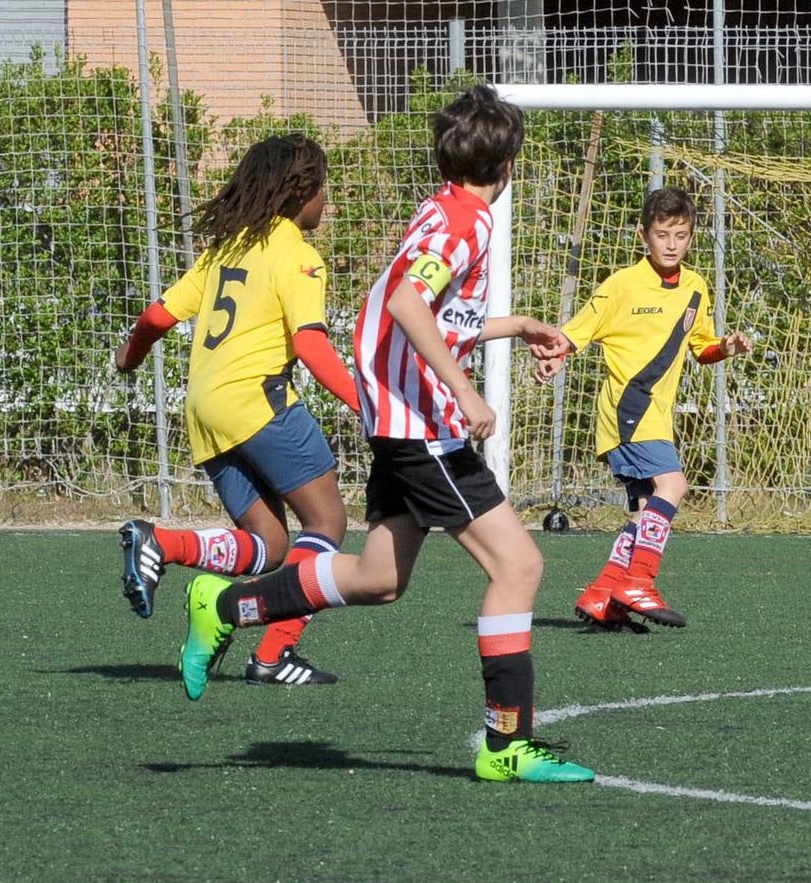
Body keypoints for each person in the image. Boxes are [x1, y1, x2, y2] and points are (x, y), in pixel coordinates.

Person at [176, 85, 594, 783]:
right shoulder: (464, 226)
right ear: (509, 163)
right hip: (422, 427)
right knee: (518, 568)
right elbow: (405, 302)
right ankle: (507, 745)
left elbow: (414, 306)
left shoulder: (442, 208)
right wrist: (464, 389)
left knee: (378, 578)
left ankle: (226, 603)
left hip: (400, 422)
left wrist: (516, 326)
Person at [114, 134, 358, 686]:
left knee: (269, 545)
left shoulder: (228, 246)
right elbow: (312, 345)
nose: (328, 202)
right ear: (301, 192)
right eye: (323, 189)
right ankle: (273, 656)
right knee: (326, 522)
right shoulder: (297, 254)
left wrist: (129, 357)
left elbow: (156, 318)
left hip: (204, 407)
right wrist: (367, 403)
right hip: (260, 400)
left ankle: (163, 543)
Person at [535, 186, 751, 630]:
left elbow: (700, 346)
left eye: (681, 235)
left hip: (656, 415)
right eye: (662, 234)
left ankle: (603, 594)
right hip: (627, 408)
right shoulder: (621, 284)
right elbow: (578, 331)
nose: (671, 245)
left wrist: (725, 347)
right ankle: (639, 581)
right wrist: (556, 356)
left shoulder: (694, 286)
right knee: (673, 484)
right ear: (643, 236)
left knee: (644, 509)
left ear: (691, 237)